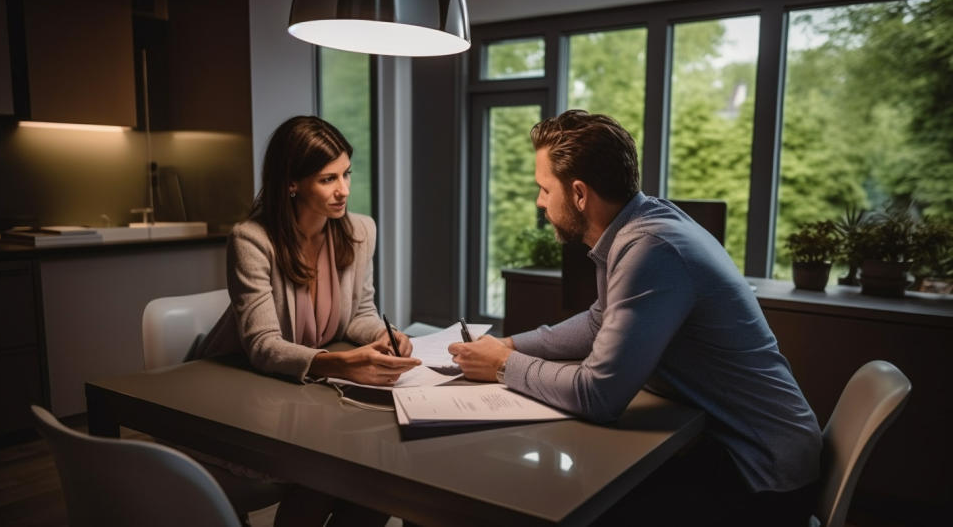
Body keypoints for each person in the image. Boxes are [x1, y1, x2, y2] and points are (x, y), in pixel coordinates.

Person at [448, 110, 822, 526]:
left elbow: (599, 396)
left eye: (543, 189)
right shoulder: (642, 223)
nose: (539, 203)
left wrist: (502, 366)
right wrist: (510, 344)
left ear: (578, 194)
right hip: (741, 449)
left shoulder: (650, 248)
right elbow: (597, 321)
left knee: (575, 504)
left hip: (762, 476)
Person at [197, 115, 419, 526]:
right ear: (292, 183)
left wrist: (387, 337)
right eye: (327, 179)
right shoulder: (252, 240)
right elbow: (262, 345)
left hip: (303, 397)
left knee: (382, 479)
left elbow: (360, 314)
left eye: (346, 174)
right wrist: (340, 363)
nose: (344, 190)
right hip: (245, 395)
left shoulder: (360, 231)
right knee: (333, 472)